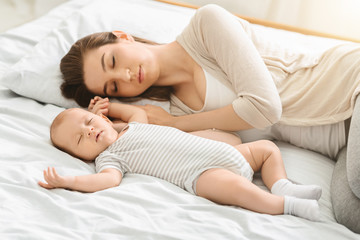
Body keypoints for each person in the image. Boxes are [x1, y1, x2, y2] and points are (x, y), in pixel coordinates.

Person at [59, 4, 360, 160]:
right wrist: (112, 123)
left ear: (123, 37)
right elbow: (232, 144)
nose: (124, 76)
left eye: (112, 61)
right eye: (113, 87)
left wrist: (173, 126)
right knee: (349, 214)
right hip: (338, 142)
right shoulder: (174, 110)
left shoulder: (207, 24)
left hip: (346, 84)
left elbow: (266, 108)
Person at [38, 98, 322, 221]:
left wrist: (110, 106)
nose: (89, 131)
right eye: (80, 139)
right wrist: (69, 181)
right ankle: (288, 205)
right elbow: (106, 181)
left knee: (266, 148)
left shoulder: (137, 126)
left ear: (101, 119)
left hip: (230, 154)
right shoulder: (110, 159)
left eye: (89, 121)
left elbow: (136, 114)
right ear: (80, 156)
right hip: (201, 173)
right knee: (241, 191)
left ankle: (282, 185)